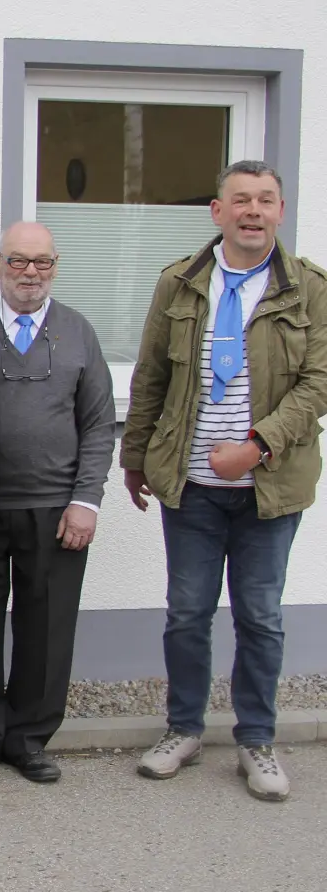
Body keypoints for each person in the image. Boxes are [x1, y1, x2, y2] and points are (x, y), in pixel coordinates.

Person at [122, 160, 327, 802]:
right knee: (187, 612)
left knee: (260, 616)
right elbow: (151, 375)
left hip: (271, 487)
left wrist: (256, 445)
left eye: (265, 200)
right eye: (241, 199)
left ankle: (256, 739)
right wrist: (135, 456)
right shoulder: (180, 283)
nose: (253, 211)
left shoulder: (311, 288)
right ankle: (183, 729)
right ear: (217, 211)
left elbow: (319, 383)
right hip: (192, 488)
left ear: (281, 211)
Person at [0, 222, 113, 784]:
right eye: (17, 261)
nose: (30, 272)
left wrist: (87, 500)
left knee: (47, 626)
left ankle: (29, 737)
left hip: (55, 508)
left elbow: (98, 423)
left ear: (55, 267)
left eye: (42, 262)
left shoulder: (78, 331)